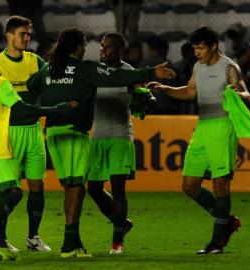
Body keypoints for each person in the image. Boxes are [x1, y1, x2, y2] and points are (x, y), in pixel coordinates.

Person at [27, 27, 175, 258]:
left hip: (54, 134)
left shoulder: (50, 68)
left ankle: (99, 238)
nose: (91, 49)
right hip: (76, 133)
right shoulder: (86, 69)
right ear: (77, 46)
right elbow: (116, 77)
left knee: (74, 187)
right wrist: (151, 71)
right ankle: (70, 244)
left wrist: (51, 92)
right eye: (85, 44)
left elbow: (31, 85)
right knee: (79, 188)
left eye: (106, 45)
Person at [0, 37, 75, 261]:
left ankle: (2, 249)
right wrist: (58, 108)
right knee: (14, 192)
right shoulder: (0, 84)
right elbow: (23, 110)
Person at [147, 26, 250, 254]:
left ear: (213, 46)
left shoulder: (229, 67)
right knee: (189, 185)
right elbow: (190, 92)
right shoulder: (198, 67)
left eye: (201, 48)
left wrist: (237, 93)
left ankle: (217, 241)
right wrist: (165, 88)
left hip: (223, 127)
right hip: (202, 127)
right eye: (195, 48)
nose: (197, 52)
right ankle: (227, 221)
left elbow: (247, 95)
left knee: (220, 184)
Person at [0, 15, 50, 252]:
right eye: (22, 34)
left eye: (28, 34)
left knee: (37, 185)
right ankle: (1, 239)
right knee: (9, 189)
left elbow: (53, 79)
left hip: (34, 131)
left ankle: (33, 238)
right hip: (9, 133)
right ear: (9, 36)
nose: (27, 37)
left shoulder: (35, 61)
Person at [86, 32, 137, 255]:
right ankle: (122, 222)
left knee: (118, 188)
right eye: (101, 47)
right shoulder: (96, 71)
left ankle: (117, 240)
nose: (102, 50)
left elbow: (138, 99)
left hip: (119, 135)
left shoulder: (128, 73)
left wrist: (146, 100)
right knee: (94, 189)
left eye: (106, 47)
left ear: (118, 50)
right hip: (98, 136)